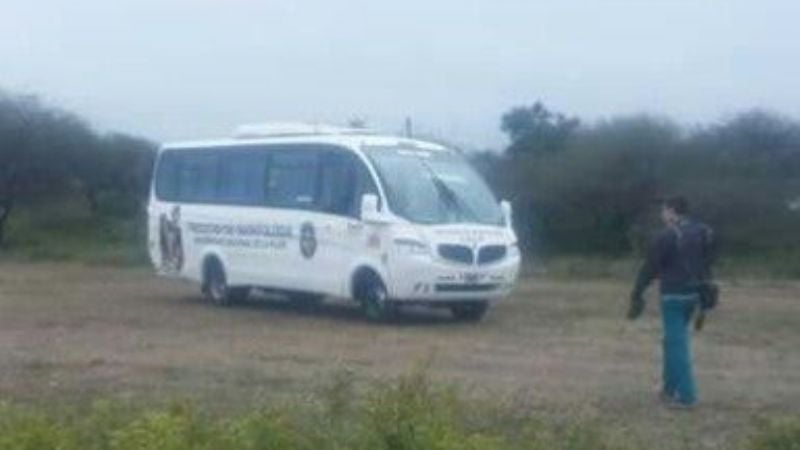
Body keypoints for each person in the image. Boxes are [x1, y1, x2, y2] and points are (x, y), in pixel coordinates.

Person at [628, 196, 716, 409]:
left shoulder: (665, 236)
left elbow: (649, 268)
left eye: (664, 211)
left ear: (671, 211)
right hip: (695, 294)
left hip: (673, 296)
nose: (662, 215)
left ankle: (687, 396)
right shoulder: (703, 232)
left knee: (677, 345)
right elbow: (707, 263)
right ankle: (669, 388)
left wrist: (637, 293)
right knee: (671, 341)